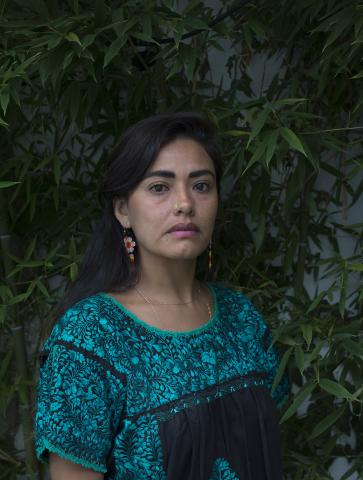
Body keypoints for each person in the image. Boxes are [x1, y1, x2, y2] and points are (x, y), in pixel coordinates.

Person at [34, 112, 289, 480]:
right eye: (159, 187)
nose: (185, 203)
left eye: (202, 185)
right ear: (123, 209)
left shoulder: (242, 318)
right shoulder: (89, 338)